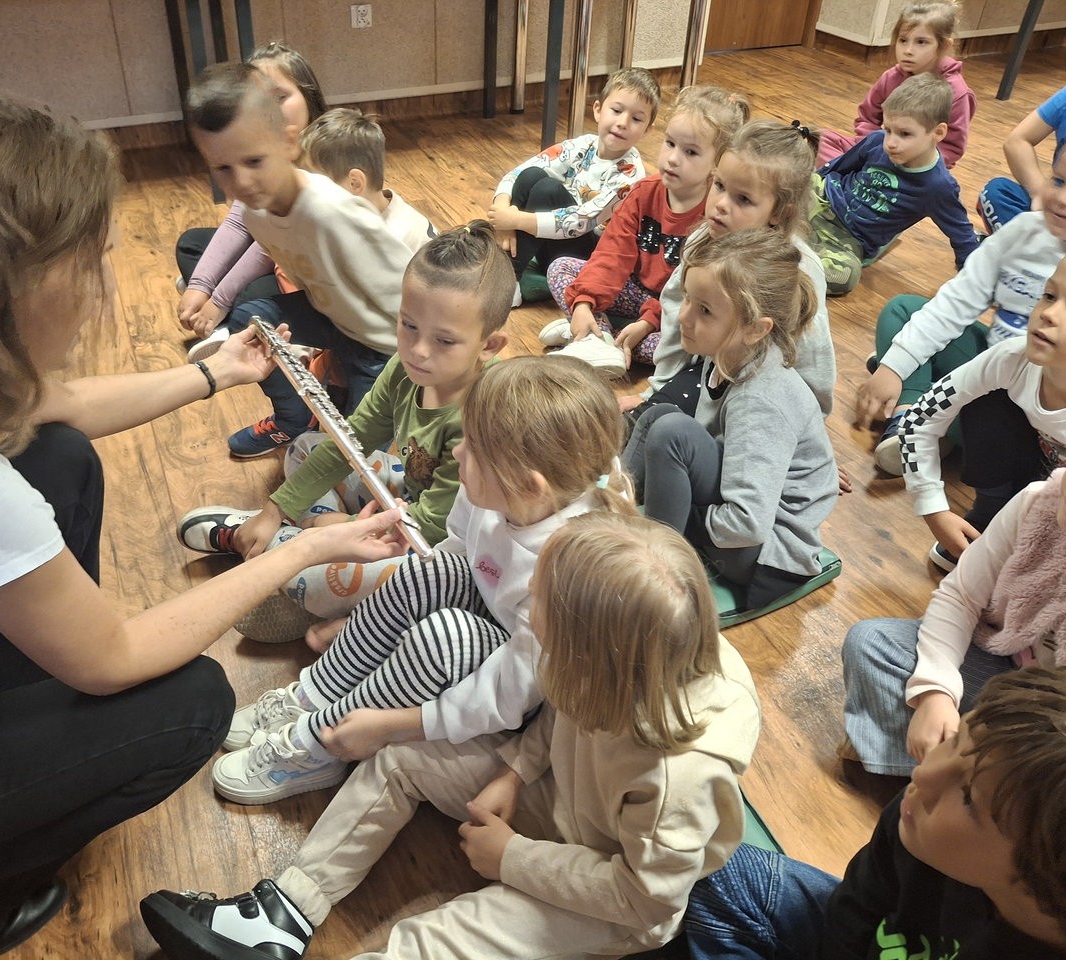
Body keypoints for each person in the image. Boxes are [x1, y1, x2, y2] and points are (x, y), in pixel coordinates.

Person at [0, 90, 408, 960]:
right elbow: (113, 656)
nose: (104, 290)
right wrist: (298, 547)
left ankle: (8, 749)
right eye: (92, 262)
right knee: (191, 706)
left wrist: (218, 373)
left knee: (58, 457)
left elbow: (62, 405)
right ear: (18, 284)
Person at [141, 512, 762, 960]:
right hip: (561, 804)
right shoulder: (614, 661)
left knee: (437, 939)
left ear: (589, 654)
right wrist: (515, 769)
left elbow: (645, 899)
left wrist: (513, 858)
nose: (528, 602)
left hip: (612, 892)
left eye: (541, 601)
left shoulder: (679, 776)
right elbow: (561, 711)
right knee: (402, 758)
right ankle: (284, 914)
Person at [207, 357, 637, 804]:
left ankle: (323, 743)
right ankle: (314, 697)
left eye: (473, 447)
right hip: (490, 629)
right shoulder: (500, 492)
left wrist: (396, 725)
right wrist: (370, 624)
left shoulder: (566, 571)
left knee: (444, 634)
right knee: (426, 571)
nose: (457, 452)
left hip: (518, 696)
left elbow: (510, 695)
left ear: (528, 486)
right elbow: (455, 554)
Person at [175, 222, 512, 644]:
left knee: (317, 567)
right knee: (305, 446)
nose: (418, 350)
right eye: (408, 325)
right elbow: (348, 440)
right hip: (408, 503)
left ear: (489, 345)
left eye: (444, 341)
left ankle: (287, 550)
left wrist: (334, 529)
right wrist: (277, 509)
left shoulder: (483, 416)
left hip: (445, 553)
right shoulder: (406, 369)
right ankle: (288, 544)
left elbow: (433, 527)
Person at [684, 666, 1066, 959]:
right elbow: (853, 911)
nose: (922, 773)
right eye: (956, 739)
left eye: (969, 796)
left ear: (1046, 879)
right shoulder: (916, 821)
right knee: (711, 870)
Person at [183, 62, 415, 459]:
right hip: (335, 320)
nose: (241, 182)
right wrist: (205, 290)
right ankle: (294, 419)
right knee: (249, 318)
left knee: (352, 453)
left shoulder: (333, 212)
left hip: (384, 347)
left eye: (254, 161)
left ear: (290, 143)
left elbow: (409, 284)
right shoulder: (256, 211)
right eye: (223, 168)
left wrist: (419, 363)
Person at [624, 230, 838, 610]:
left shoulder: (761, 398)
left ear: (755, 329)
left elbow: (747, 524)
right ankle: (618, 504)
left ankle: (656, 573)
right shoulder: (727, 355)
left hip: (765, 556)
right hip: (742, 528)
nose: (684, 317)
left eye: (705, 310)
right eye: (687, 298)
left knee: (672, 432)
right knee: (659, 415)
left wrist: (685, 513)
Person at [856, 143, 1066, 481]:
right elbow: (958, 299)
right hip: (990, 369)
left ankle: (924, 397)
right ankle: (907, 415)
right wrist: (894, 366)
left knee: (991, 424)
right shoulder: (1025, 230)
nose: (1064, 199)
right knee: (902, 311)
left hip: (1033, 421)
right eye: (1058, 180)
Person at [842, 467, 1066, 778]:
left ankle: (946, 765)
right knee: (872, 641)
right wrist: (935, 692)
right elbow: (960, 596)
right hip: (1004, 667)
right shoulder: (1036, 501)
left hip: (1055, 718)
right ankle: (962, 774)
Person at [623, 119, 836, 420]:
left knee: (664, 424)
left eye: (743, 199)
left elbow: (813, 358)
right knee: (651, 417)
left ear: (779, 212)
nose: (721, 204)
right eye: (720, 185)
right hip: (709, 369)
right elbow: (676, 313)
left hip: (765, 392)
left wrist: (810, 424)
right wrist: (655, 389)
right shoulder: (703, 238)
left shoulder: (799, 271)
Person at [541, 85, 751, 375]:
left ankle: (593, 336)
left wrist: (648, 322)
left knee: (687, 347)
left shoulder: (715, 214)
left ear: (719, 164)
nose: (673, 158)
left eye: (691, 152)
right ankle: (595, 337)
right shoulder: (643, 192)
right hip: (634, 292)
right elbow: (612, 255)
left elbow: (696, 297)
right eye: (670, 143)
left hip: (677, 311)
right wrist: (584, 303)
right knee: (561, 268)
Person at [886, 250, 1066, 571]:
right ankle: (990, 511)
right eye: (1049, 295)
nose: (1049, 314)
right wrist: (933, 508)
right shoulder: (1010, 358)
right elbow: (919, 419)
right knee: (985, 395)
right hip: (1031, 478)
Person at [176, 41, 327, 341]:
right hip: (273, 259)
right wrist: (201, 285)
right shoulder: (252, 151)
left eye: (280, 97)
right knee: (191, 245)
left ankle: (229, 323)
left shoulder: (322, 158)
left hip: (307, 280)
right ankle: (226, 322)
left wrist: (218, 300)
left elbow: (268, 246)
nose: (269, 111)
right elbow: (238, 222)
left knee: (250, 297)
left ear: (308, 97)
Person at [487, 67, 660, 301]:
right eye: (616, 110)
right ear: (598, 110)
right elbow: (520, 172)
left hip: (587, 257)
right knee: (531, 175)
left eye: (636, 119)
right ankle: (500, 264)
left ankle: (510, 281)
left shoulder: (630, 175)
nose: (623, 123)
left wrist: (516, 220)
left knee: (548, 190)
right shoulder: (583, 144)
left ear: (647, 129)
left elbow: (582, 222)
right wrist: (503, 214)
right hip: (553, 239)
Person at [809, 73, 979, 297]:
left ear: (938, 133)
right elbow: (836, 167)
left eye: (904, 134)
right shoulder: (876, 141)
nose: (890, 142)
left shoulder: (938, 187)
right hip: (822, 197)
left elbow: (963, 237)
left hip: (847, 239)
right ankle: (791, 241)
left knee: (843, 277)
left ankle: (789, 245)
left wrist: (972, 284)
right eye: (888, 129)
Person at [816, 1, 975, 169]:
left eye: (921, 42)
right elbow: (868, 118)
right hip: (882, 150)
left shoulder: (956, 92)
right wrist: (873, 150)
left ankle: (851, 177)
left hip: (916, 167)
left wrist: (913, 163)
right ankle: (857, 175)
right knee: (819, 140)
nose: (908, 50)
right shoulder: (891, 77)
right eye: (903, 40)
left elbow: (951, 148)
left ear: (944, 45)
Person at [298, 107, 437, 253]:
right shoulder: (359, 217)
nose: (306, 190)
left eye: (315, 183)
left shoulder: (395, 241)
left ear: (355, 183)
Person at [978, 78, 1066, 232]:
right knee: (996, 192)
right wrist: (1040, 194)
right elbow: (1016, 141)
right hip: (1058, 208)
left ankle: (1020, 243)